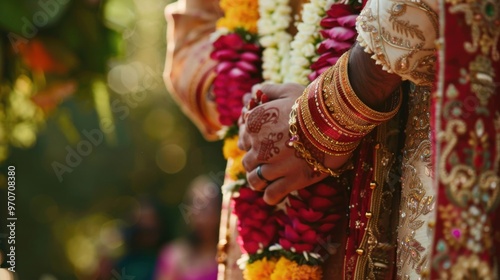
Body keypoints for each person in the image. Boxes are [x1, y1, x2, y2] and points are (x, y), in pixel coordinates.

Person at [164, 0, 500, 279]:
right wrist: (255, 109)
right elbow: (193, 32)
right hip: (262, 196)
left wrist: (326, 116)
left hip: (406, 150)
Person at [154, 176, 220, 280]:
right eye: (192, 203)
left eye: (205, 207)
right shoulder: (173, 256)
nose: (197, 212)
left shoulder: (230, 257)